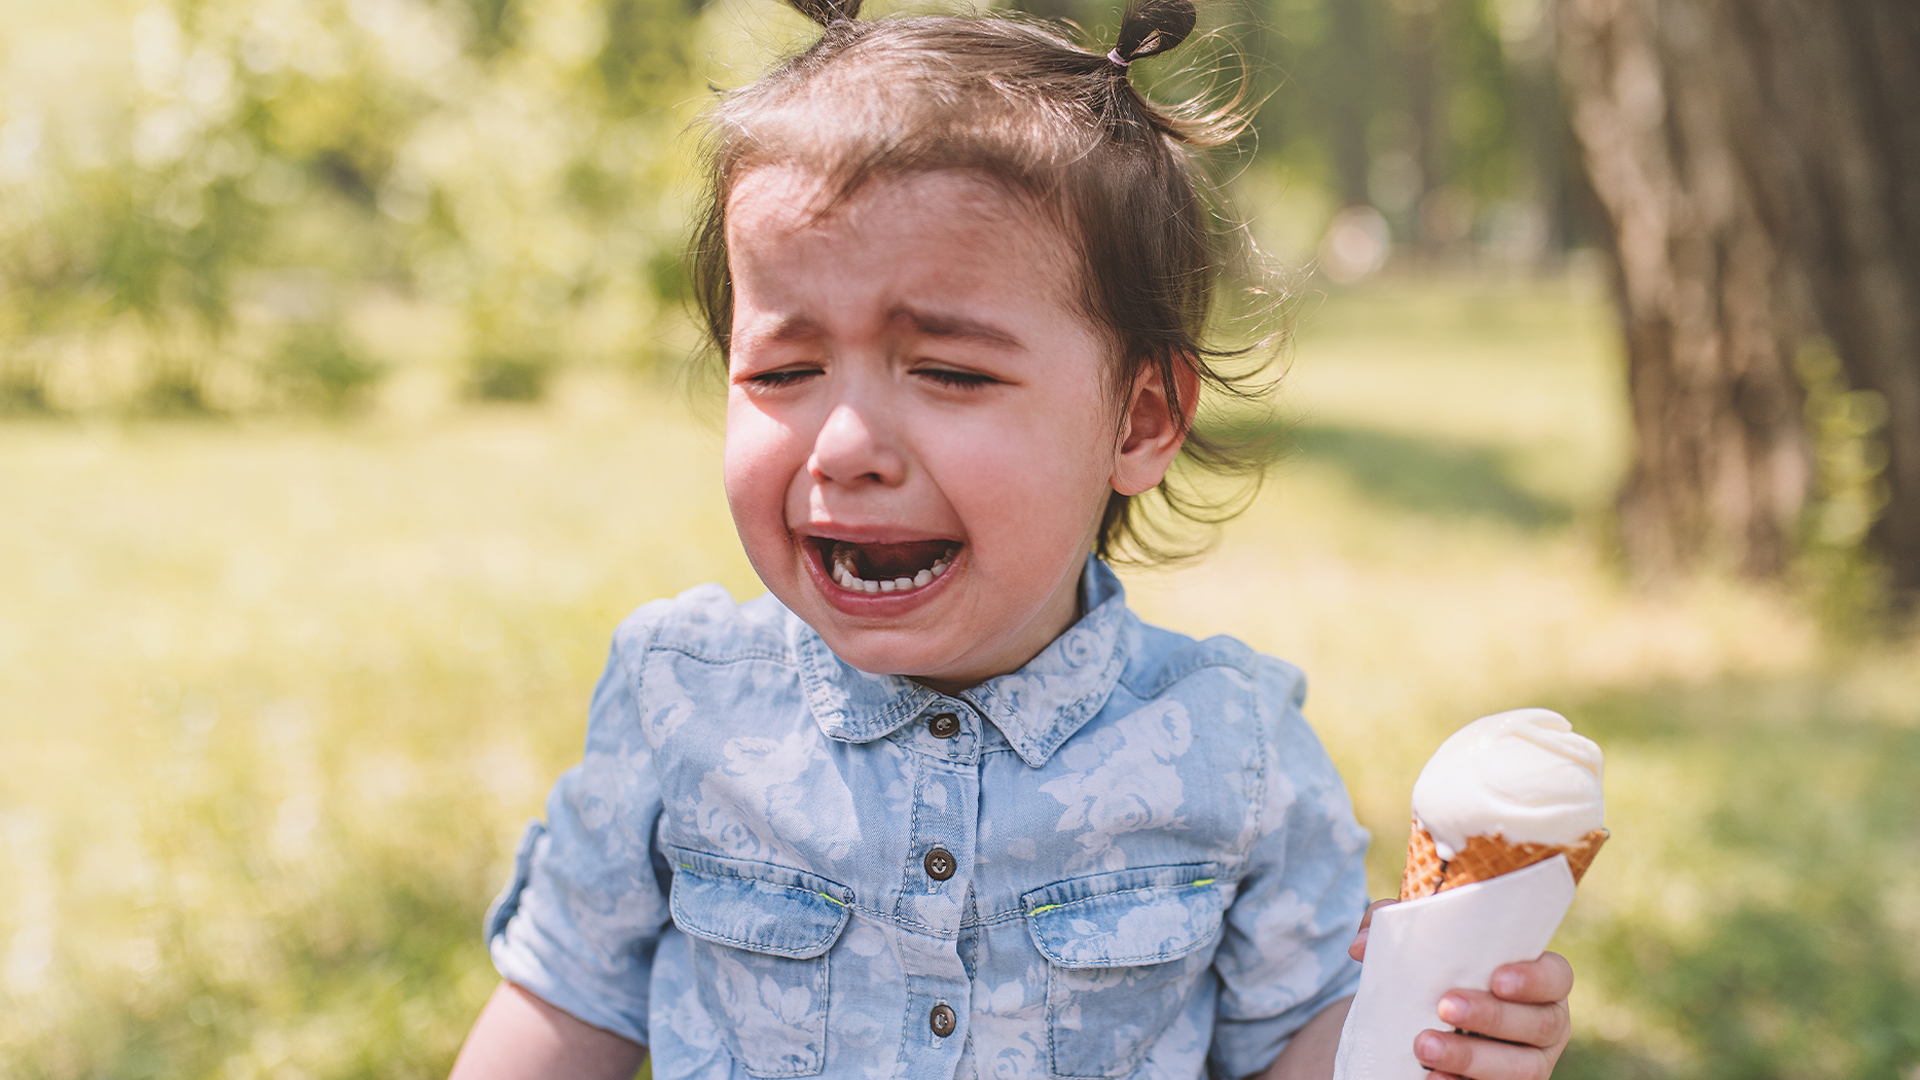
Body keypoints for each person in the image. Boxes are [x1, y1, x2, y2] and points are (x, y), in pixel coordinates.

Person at [449, 0, 1576, 1076]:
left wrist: (1429, 1033)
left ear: (1138, 421)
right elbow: (562, 1005)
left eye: (948, 372)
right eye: (785, 371)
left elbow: (1296, 1047)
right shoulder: (681, 703)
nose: (844, 446)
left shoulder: (1229, 753)